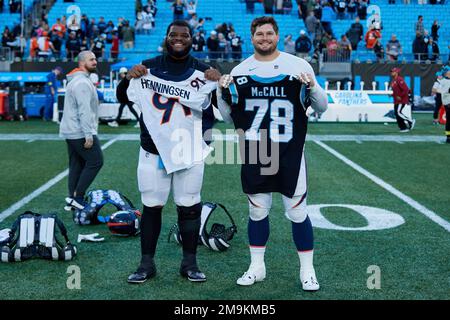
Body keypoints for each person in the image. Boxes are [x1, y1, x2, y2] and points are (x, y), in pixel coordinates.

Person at [216, 16, 327, 291]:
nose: (264, 38)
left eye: (269, 33)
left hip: (290, 153)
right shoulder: (241, 71)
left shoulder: (298, 67)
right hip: (256, 152)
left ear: (277, 36)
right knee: (257, 212)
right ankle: (257, 266)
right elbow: (228, 117)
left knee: (298, 212)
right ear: (251, 38)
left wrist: (311, 85)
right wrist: (221, 92)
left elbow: (321, 106)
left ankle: (307, 270)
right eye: (259, 34)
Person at [116, 20, 221, 284]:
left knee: (189, 207)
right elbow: (122, 97)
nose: (178, 39)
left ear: (191, 39)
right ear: (166, 37)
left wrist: (219, 83)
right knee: (152, 206)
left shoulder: (204, 72)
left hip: (189, 151)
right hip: (154, 151)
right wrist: (128, 77)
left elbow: (222, 110)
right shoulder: (147, 68)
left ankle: (190, 263)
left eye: (184, 35)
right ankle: (146, 264)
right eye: (173, 34)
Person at [59, 51, 104, 210]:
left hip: (71, 130)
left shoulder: (77, 80)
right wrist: (88, 134)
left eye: (95, 59)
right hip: (79, 131)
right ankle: (78, 197)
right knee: (96, 161)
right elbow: (83, 110)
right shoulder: (82, 83)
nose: (95, 62)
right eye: (91, 59)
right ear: (82, 62)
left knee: (76, 164)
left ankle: (72, 199)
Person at [390, 67, 415, 132]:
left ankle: (410, 121)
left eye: (393, 72)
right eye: (391, 71)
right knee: (396, 113)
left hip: (401, 100)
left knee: (398, 113)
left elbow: (406, 89)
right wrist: (392, 95)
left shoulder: (399, 79)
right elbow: (396, 91)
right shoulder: (393, 80)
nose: (392, 73)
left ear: (397, 72)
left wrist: (400, 96)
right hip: (396, 100)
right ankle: (402, 127)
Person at [435, 66, 450, 143]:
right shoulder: (443, 81)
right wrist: (446, 103)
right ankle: (448, 137)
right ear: (447, 72)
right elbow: (444, 93)